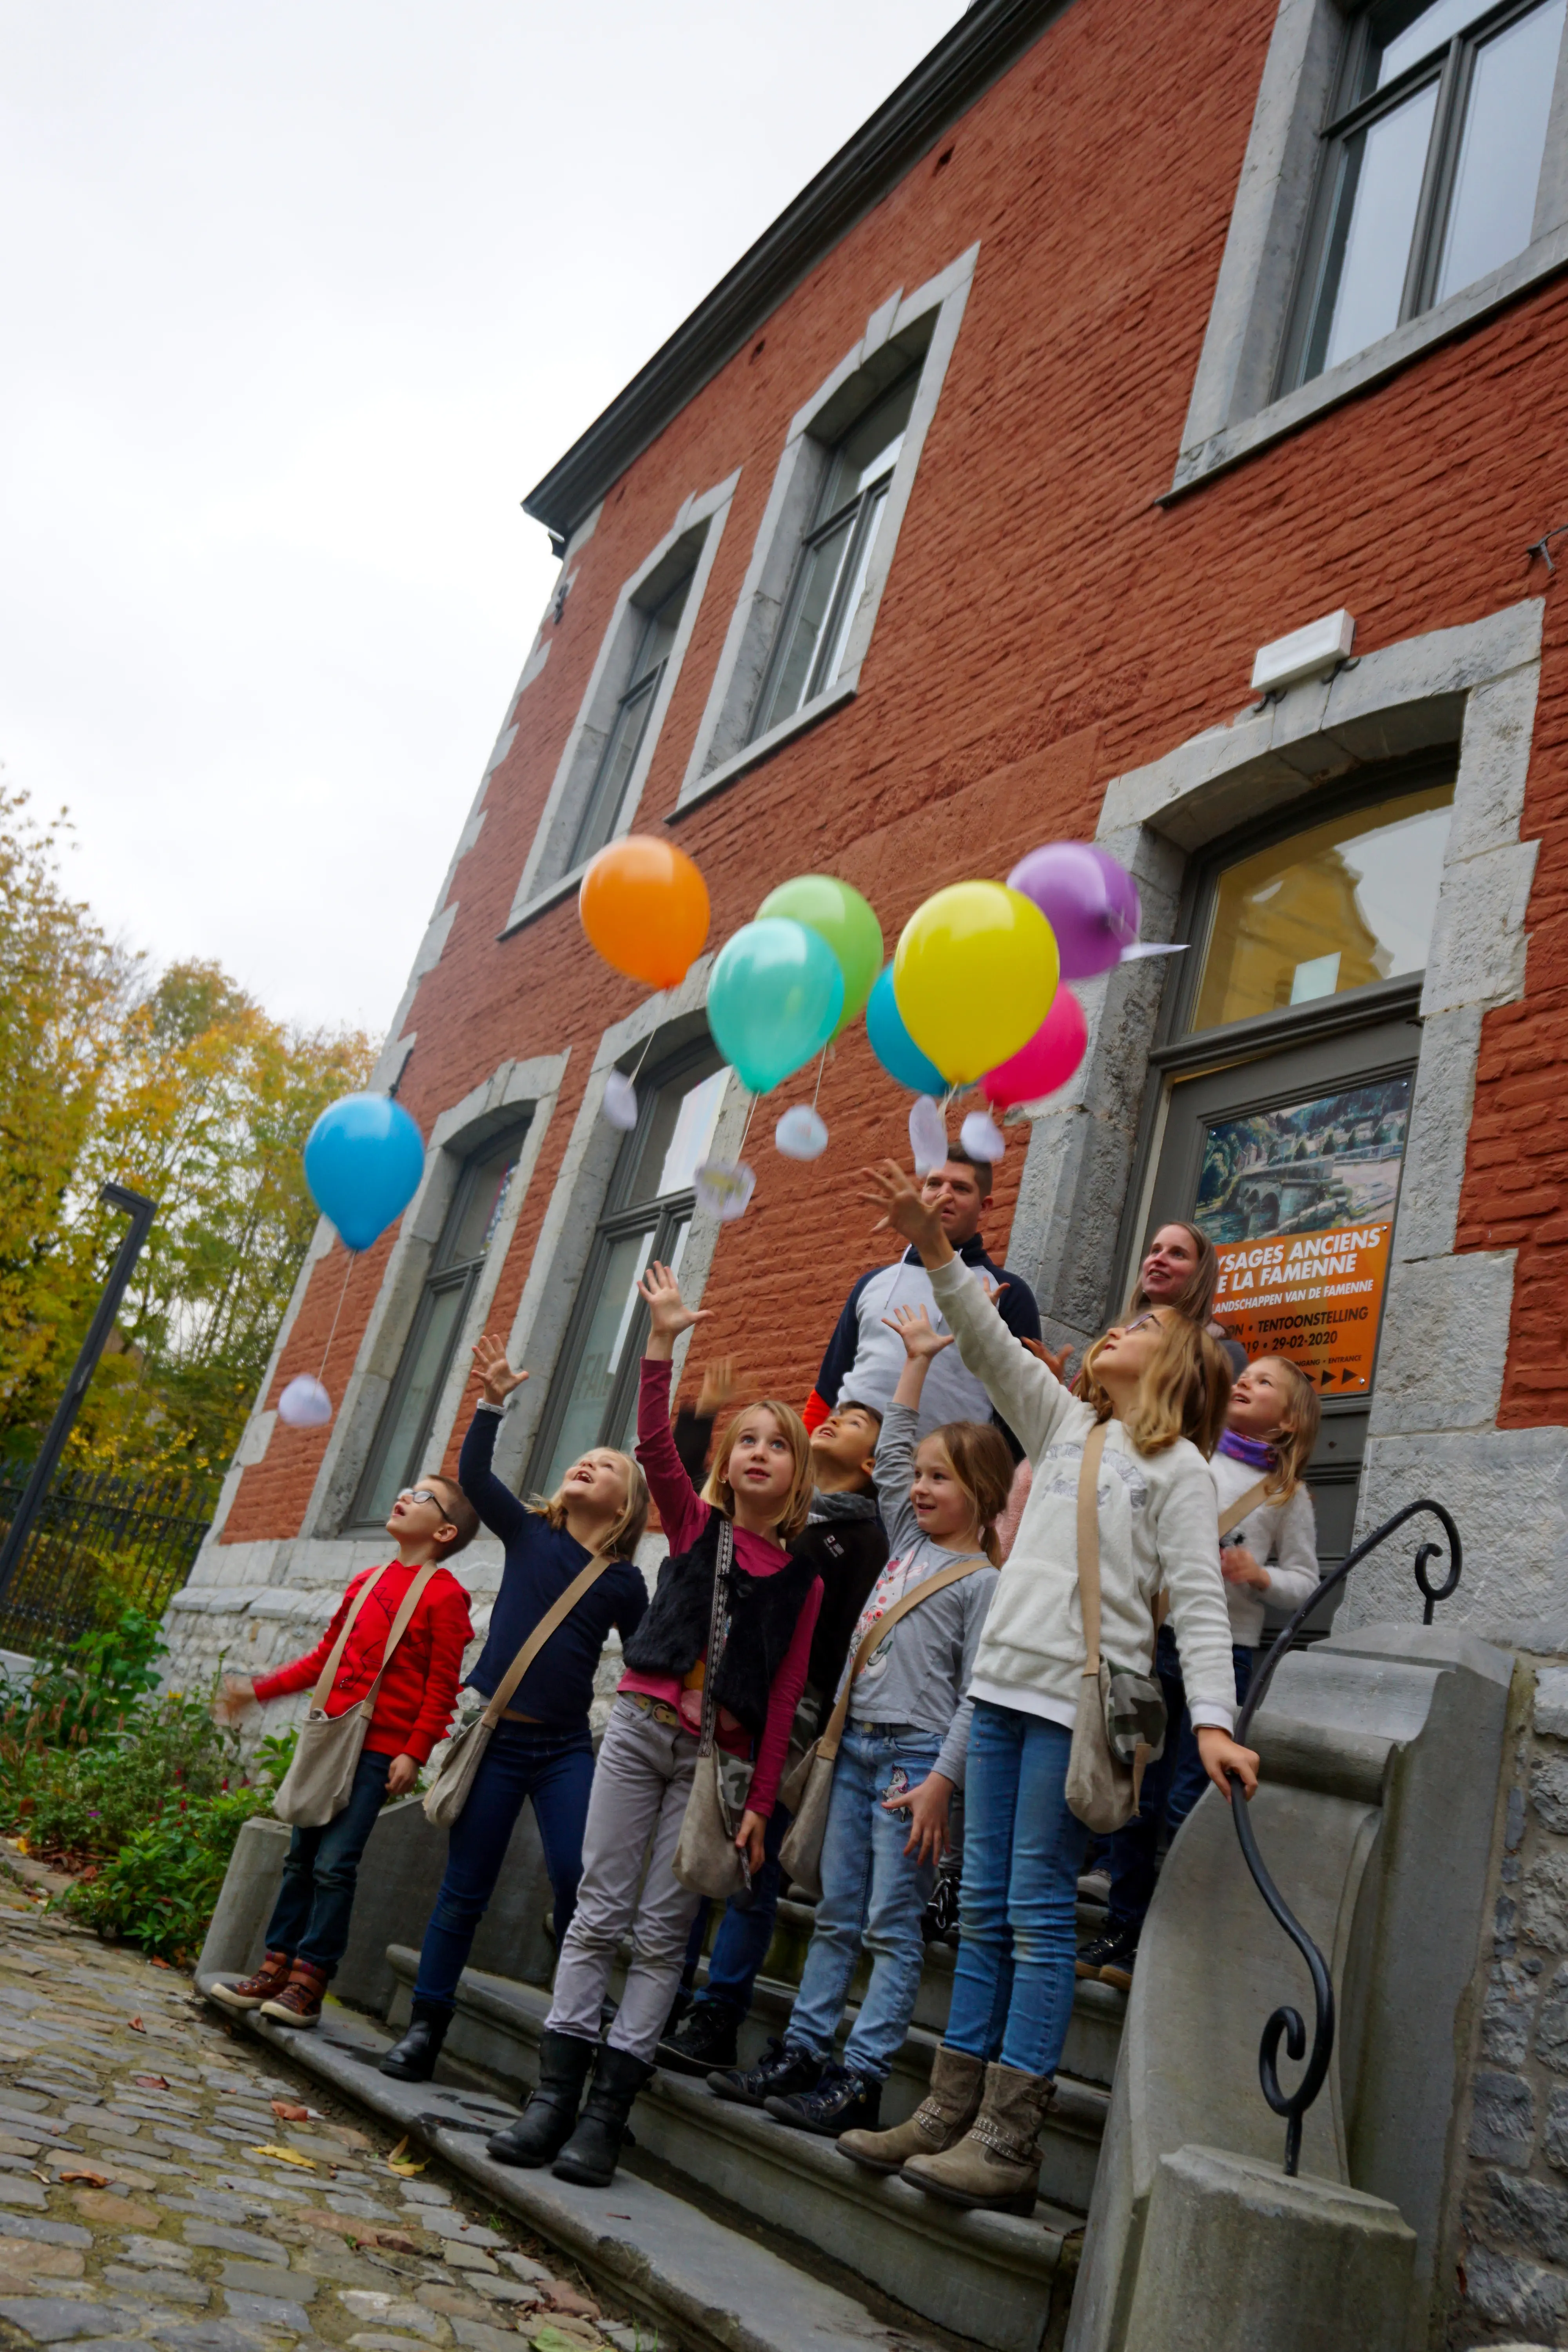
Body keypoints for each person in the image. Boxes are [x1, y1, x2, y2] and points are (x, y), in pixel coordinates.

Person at [855, 1161, 1259, 2214]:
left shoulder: (1176, 1473)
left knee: (1036, 1913)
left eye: (1138, 1329)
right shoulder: (1067, 1427)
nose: (1117, 1329)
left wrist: (1213, 1723)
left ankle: (1009, 2139)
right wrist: (936, 1250)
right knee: (981, 1909)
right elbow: (988, 1345)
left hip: (1070, 1714)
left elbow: (1204, 1610)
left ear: (1178, 1367)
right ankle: (948, 2113)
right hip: (994, 1701)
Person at [487, 1261, 822, 2190]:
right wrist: (663, 1341)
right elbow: (653, 1444)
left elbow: (788, 1692)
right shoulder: (690, 1524)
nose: (756, 1452)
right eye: (745, 1440)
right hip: (639, 1729)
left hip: (716, 1767)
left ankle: (606, 2112)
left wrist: (761, 1804)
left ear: (796, 1473)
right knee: (598, 1907)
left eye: (776, 1445)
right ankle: (551, 2095)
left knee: (665, 1931)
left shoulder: (804, 1578)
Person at [709, 1304, 1005, 2141]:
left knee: (888, 1924)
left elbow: (976, 1693)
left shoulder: (980, 1581)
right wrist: (913, 1360)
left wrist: (942, 1784)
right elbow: (898, 1440)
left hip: (913, 1765)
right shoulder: (904, 1539)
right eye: (918, 1476)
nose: (918, 1487)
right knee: (837, 1909)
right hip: (853, 1749)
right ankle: (803, 2048)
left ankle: (863, 2072)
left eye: (940, 1479)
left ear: (980, 1495)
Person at [378, 1333, 652, 2084]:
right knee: (464, 1890)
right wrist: (493, 1402)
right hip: (496, 1742)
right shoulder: (531, 1534)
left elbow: (646, 1664)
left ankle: (574, 2024)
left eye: (609, 1465)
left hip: (567, 1750)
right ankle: (426, 2029)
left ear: (626, 1505)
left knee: (577, 1881)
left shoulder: (626, 1583)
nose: (588, 1462)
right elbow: (473, 1474)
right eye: (584, 1457)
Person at [657, 1377, 887, 2078]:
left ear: (876, 1462)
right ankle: (667, 1992)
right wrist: (700, 1413)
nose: (832, 1422)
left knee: (753, 1868)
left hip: (794, 1715)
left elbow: (844, 1643)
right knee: (698, 1837)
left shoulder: (860, 1538)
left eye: (850, 1422)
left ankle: (719, 2009)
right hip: (723, 1699)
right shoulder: (772, 1516)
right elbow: (680, 1480)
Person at [1078, 1354, 1321, 1991]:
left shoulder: (1285, 1494)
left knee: (1189, 1800)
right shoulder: (1194, 1455)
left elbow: (1307, 1582)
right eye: (1246, 1376)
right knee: (1140, 1790)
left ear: (1289, 1421)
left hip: (1226, 1654)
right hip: (1158, 1641)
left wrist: (1260, 1575)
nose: (1246, 1381)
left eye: (1264, 1382)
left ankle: (1168, 1938)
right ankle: (1123, 1924)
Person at [211, 1477, 476, 2027]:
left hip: (379, 1752)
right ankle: (275, 1966)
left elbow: (442, 1685)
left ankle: (311, 1978)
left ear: (445, 1531)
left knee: (335, 1865)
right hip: (330, 1740)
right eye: (404, 1488)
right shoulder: (366, 1582)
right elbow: (322, 1660)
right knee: (300, 1858)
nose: (403, 1495)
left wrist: (415, 1751)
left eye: (421, 1496)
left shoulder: (445, 1595)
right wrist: (257, 1690)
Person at [805, 1149, 1042, 1447]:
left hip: (939, 1481)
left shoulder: (1008, 1293)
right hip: (842, 1472)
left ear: (985, 1207)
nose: (945, 1195)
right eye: (934, 1184)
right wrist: (801, 1467)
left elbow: (1022, 1414)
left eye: (960, 1188)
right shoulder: (872, 1283)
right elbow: (828, 1389)